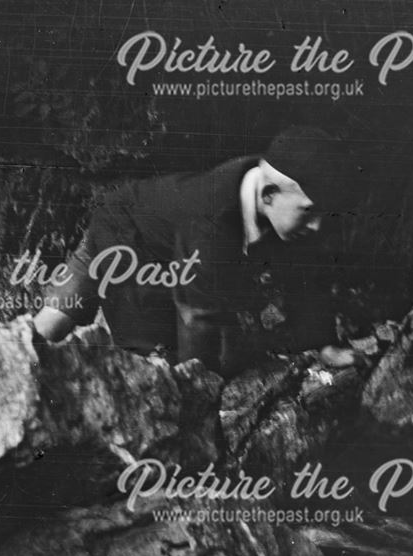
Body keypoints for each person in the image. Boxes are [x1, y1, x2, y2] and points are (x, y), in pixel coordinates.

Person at [33, 126, 360, 376]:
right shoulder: (211, 220)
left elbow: (309, 276)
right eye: (308, 212)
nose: (316, 226)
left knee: (56, 320)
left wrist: (323, 343)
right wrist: (198, 386)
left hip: (149, 221)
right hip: (129, 239)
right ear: (269, 195)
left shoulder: (270, 185)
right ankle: (10, 360)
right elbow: (197, 315)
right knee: (146, 354)